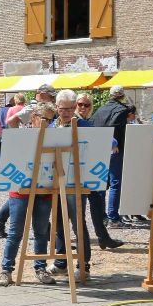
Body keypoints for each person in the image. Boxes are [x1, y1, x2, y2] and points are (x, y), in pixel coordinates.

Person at [0, 102, 58, 287]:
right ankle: (6, 270)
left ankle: (40, 268)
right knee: (15, 232)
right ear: (34, 118)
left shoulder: (55, 137)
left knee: (41, 232)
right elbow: (10, 122)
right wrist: (25, 110)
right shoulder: (21, 135)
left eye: (50, 119)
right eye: (44, 119)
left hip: (44, 189)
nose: (48, 123)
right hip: (20, 189)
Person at [46, 90, 93, 277]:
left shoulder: (84, 125)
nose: (66, 112)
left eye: (70, 108)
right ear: (57, 107)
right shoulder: (51, 126)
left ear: (75, 108)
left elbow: (107, 141)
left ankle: (84, 265)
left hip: (76, 182)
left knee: (77, 224)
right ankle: (61, 263)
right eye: (62, 108)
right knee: (58, 224)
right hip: (56, 182)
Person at [76, 92, 124, 250]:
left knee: (96, 202)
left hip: (88, 169)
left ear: (91, 107)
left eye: (86, 105)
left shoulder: (88, 121)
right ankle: (79, 242)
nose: (82, 107)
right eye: (80, 104)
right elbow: (108, 140)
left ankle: (103, 237)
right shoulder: (78, 122)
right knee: (79, 209)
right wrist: (113, 141)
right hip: (76, 170)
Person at [90, 85, 130, 227]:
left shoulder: (100, 109)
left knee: (101, 182)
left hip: (100, 148)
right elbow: (117, 126)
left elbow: (92, 124)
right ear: (122, 96)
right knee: (115, 183)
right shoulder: (122, 109)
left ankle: (101, 215)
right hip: (115, 149)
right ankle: (113, 216)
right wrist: (115, 143)